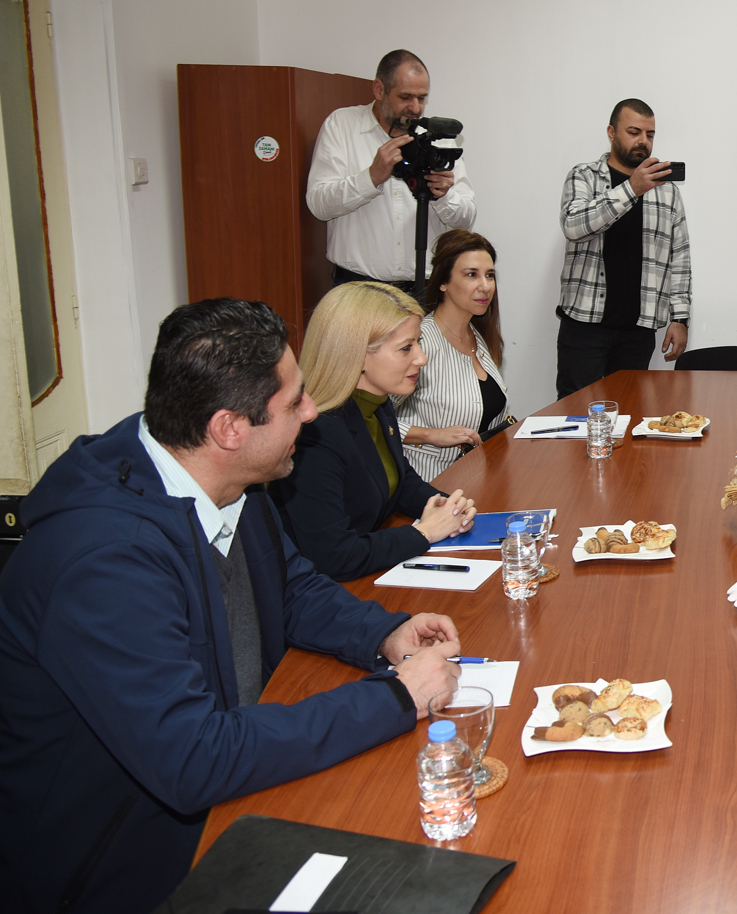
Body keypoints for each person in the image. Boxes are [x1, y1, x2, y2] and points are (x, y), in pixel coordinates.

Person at [0, 298, 464, 914]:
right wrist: (395, 697)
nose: (312, 412)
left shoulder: (226, 479)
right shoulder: (102, 563)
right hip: (120, 864)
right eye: (294, 402)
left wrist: (384, 633)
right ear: (229, 429)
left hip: (231, 790)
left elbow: (291, 587)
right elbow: (193, 756)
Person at [271, 283, 477, 581]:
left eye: (418, 343)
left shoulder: (376, 403)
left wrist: (450, 508)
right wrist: (424, 532)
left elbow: (401, 481)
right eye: (406, 348)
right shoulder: (314, 436)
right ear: (357, 355)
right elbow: (334, 556)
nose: (422, 358)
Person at [306, 49, 476, 291]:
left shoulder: (438, 137)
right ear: (379, 89)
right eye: (405, 97)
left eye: (422, 98)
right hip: (358, 289)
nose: (415, 108)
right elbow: (319, 206)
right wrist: (371, 178)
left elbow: (466, 219)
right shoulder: (342, 125)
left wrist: (443, 196)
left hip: (425, 288)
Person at [556, 98, 690, 399]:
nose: (643, 141)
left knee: (630, 411)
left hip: (639, 329)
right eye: (634, 132)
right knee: (574, 412)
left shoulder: (667, 191)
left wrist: (680, 319)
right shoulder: (583, 176)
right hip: (584, 324)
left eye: (650, 134)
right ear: (611, 132)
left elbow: (680, 257)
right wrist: (632, 188)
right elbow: (574, 226)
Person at [397, 229, 515, 480]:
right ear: (443, 282)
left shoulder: (480, 336)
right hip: (430, 484)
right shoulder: (419, 341)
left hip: (481, 479)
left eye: (490, 275)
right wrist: (431, 435)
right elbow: (370, 418)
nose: (485, 286)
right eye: (472, 274)